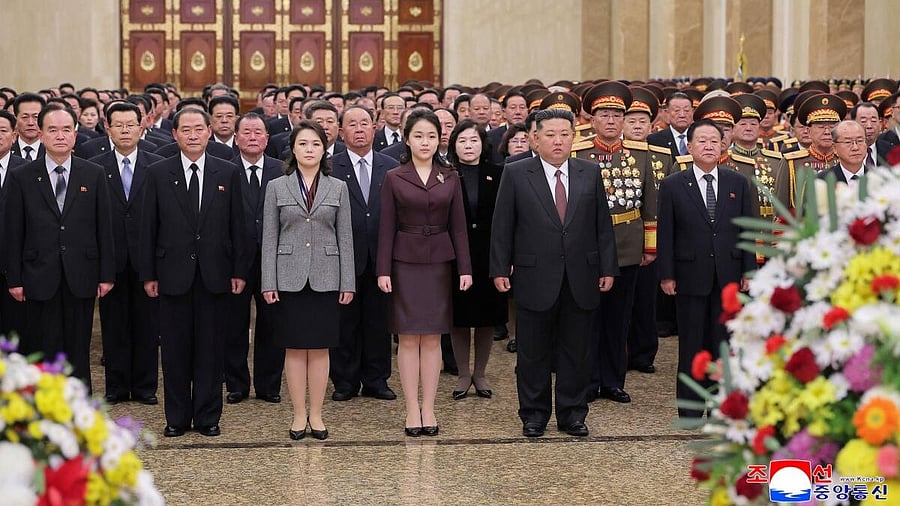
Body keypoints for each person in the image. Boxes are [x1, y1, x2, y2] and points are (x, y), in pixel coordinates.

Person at [490, 108, 618, 438]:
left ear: (574, 138)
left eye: (565, 134)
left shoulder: (588, 172)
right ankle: (533, 414)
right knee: (533, 351)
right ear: (535, 138)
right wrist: (499, 267)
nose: (558, 141)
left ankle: (572, 413)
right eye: (550, 134)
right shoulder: (517, 173)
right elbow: (503, 226)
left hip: (582, 274)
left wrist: (607, 266)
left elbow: (602, 226)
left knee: (576, 350)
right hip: (534, 275)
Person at [140, 108, 250, 438]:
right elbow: (148, 228)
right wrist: (148, 274)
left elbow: (238, 226)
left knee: (210, 349)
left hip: (215, 274)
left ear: (208, 133)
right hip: (171, 274)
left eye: (198, 129)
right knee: (174, 351)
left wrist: (239, 270)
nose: (192, 135)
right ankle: (176, 417)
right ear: (174, 134)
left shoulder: (227, 172)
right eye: (185, 129)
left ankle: (207, 416)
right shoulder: (158, 172)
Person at [5, 104, 116, 389]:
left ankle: (81, 411)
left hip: (82, 273)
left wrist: (106, 274)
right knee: (44, 348)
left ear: (76, 135)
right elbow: (13, 231)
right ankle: (45, 413)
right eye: (52, 130)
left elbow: (104, 227)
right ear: (41, 134)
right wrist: (14, 278)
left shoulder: (94, 173)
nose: (60, 136)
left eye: (66, 130)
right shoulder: (22, 177)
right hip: (38, 275)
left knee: (78, 349)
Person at [376, 109, 472, 437]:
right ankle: (410, 409)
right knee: (407, 337)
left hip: (439, 265)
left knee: (432, 337)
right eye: (418, 136)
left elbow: (459, 227)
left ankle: (428, 408)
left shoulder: (450, 176)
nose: (425, 142)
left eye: (431, 136)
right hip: (404, 263)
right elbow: (386, 226)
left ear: (439, 140)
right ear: (407, 139)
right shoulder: (394, 176)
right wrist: (383, 270)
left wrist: (465, 268)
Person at [261, 120, 355, 441]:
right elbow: (269, 237)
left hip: (327, 276)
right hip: (288, 277)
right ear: (293, 149)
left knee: (319, 349)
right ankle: (298, 414)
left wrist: (348, 282)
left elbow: (346, 238)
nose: (309, 149)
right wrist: (268, 281)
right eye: (303, 144)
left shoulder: (337, 187)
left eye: (315, 144)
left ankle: (317, 413)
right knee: (294, 348)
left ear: (324, 149)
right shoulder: (277, 186)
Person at [656, 119, 756, 418]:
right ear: (689, 146)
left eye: (715, 140)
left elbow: (746, 231)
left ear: (723, 144)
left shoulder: (737, 182)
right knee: (691, 343)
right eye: (702, 140)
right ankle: (690, 406)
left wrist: (748, 271)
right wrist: (667, 273)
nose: (709, 145)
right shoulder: (673, 184)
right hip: (689, 275)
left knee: (722, 342)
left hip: (728, 275)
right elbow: (666, 233)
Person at [574, 82, 658, 404]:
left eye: (616, 115)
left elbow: (650, 204)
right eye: (604, 115)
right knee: (588, 316)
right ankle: (588, 380)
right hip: (589, 247)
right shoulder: (578, 154)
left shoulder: (640, 154)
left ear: (624, 121)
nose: (610, 121)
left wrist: (649, 247)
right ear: (592, 120)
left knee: (619, 318)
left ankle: (612, 380)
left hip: (626, 245)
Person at [88, 102, 162, 405]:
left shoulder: (157, 165)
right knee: (114, 324)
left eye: (131, 124)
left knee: (147, 326)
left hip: (147, 259)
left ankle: (145, 387)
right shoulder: (94, 166)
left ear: (142, 125)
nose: (125, 130)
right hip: (111, 259)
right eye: (118, 124)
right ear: (108, 128)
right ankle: (116, 387)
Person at [329, 105, 400, 402]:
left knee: (378, 322)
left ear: (375, 128)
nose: (359, 129)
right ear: (342, 132)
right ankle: (345, 381)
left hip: (381, 257)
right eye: (352, 125)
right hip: (343, 257)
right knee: (344, 323)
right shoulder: (330, 166)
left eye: (365, 123)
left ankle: (376, 379)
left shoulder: (391, 166)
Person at [223, 113, 285, 405]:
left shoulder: (281, 170)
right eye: (246, 132)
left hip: (272, 258)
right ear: (236, 138)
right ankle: (236, 383)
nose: (252, 137)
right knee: (233, 324)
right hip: (233, 260)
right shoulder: (223, 170)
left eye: (257, 132)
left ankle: (269, 384)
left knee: (272, 324)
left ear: (267, 139)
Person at [446, 119, 505, 400]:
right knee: (459, 317)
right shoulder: (445, 174)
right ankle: (462, 374)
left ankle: (480, 373)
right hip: (454, 254)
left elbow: (507, 219)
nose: (468, 146)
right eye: (462, 141)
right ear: (453, 145)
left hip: (489, 254)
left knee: (486, 317)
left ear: (483, 144)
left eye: (473, 140)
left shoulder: (498, 172)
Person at [0, 110, 27, 337]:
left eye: (2, 131)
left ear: (14, 135)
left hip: (15, 267)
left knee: (15, 335)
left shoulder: (26, 171)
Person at [817, 120, 868, 187]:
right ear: (834, 148)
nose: (855, 148)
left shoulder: (879, 179)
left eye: (860, 141)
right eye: (848, 142)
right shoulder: (822, 181)